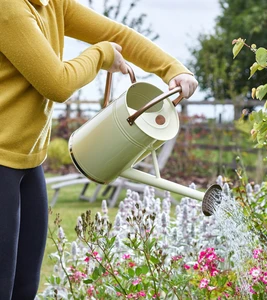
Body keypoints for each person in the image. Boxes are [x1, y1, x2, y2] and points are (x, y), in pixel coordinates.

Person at [0, 0, 198, 299]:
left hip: (29, 163)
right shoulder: (8, 8)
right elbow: (57, 83)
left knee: (24, 287)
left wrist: (172, 69)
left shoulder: (53, 3)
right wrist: (100, 54)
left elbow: (119, 34)